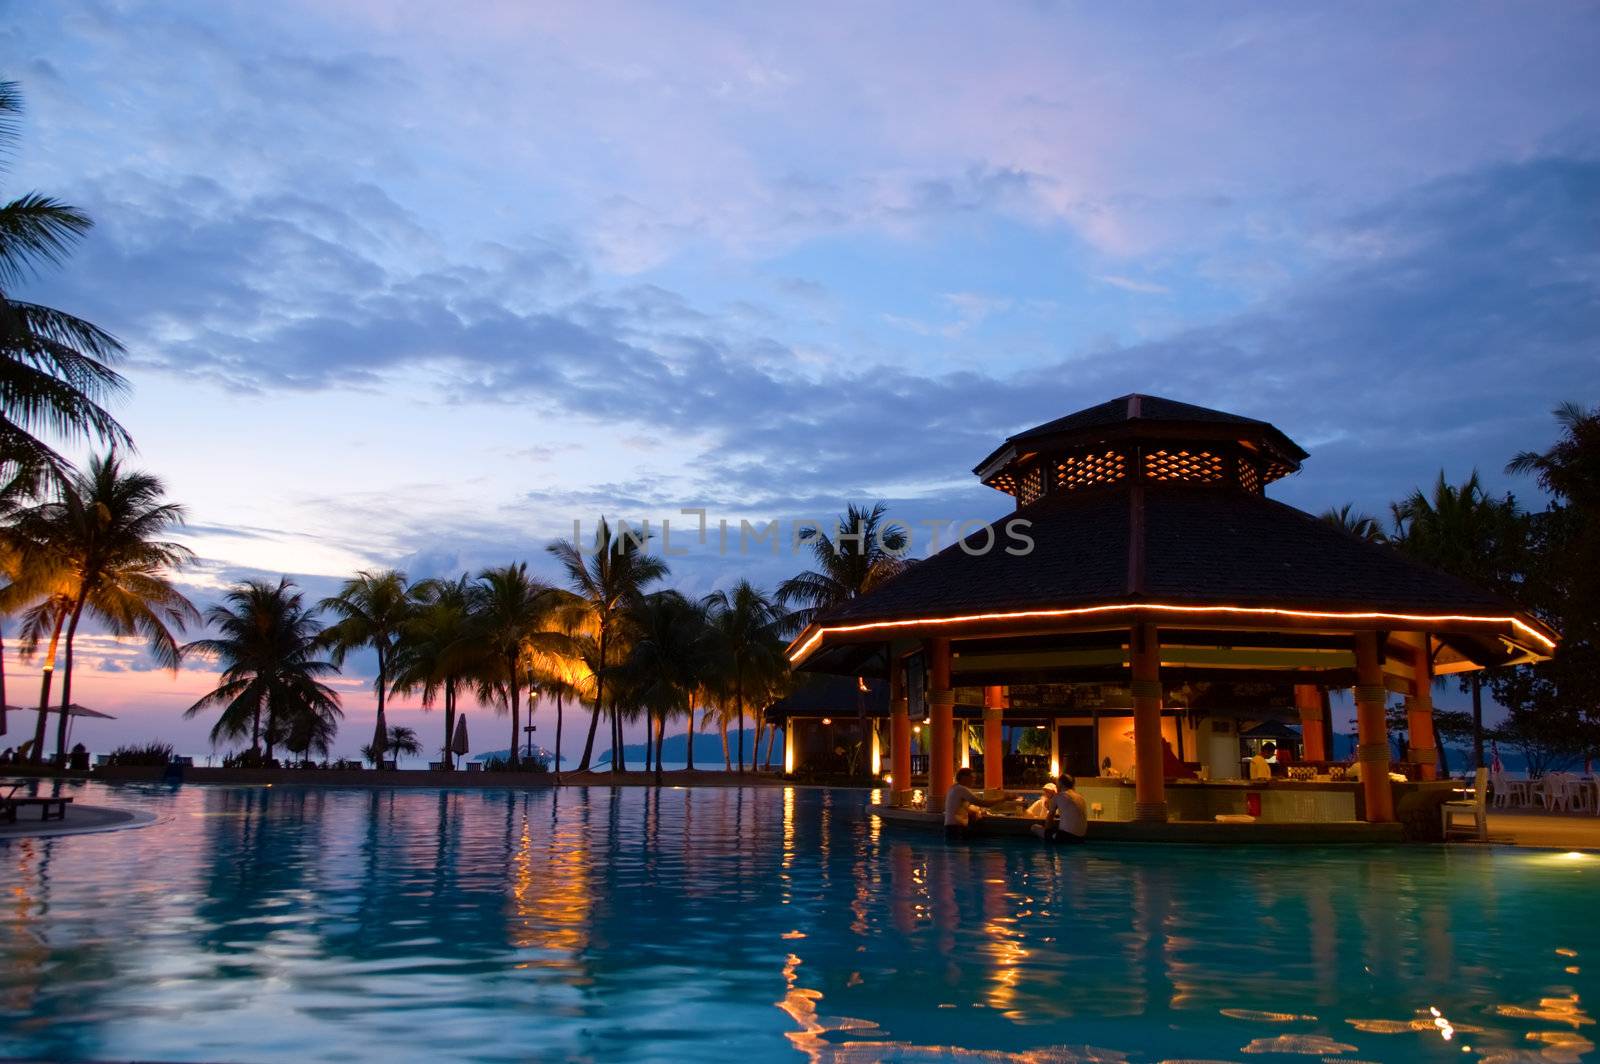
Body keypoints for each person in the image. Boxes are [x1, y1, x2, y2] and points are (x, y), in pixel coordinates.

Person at [943, 767, 1007, 840]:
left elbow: (958, 807)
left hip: (950, 828)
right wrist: (1003, 799)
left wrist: (974, 811)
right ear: (964, 777)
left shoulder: (953, 788)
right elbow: (982, 803)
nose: (974, 780)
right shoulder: (962, 789)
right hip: (957, 829)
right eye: (972, 777)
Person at [1031, 774, 1088, 844]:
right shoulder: (1081, 797)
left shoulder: (1058, 796)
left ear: (1060, 783)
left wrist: (1048, 834)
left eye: (1057, 783)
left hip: (1065, 837)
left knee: (1034, 827)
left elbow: (1049, 819)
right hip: (1081, 838)